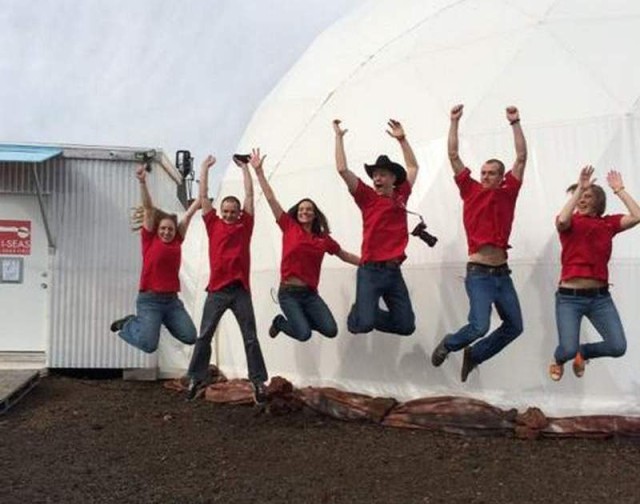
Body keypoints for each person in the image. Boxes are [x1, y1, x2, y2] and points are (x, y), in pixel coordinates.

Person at [431, 104, 527, 382]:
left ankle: (475, 355)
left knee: (515, 326)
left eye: (491, 173)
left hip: (502, 274)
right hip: (480, 273)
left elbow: (521, 157)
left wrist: (515, 122)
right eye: (483, 172)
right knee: (479, 326)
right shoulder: (470, 190)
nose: (485, 176)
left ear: (501, 176)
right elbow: (452, 154)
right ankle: (450, 344)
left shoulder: (509, 192)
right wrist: (454, 122)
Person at [250, 148, 359, 342]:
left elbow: (344, 254)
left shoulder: (324, 239)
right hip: (288, 293)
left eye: (309, 209)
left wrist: (367, 262)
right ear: (297, 213)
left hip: (309, 294)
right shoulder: (289, 227)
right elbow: (271, 199)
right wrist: (259, 173)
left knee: (331, 330)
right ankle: (280, 323)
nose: (304, 212)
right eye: (301, 209)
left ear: (314, 214)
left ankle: (302, 319)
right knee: (304, 334)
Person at [186, 153, 269, 404]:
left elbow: (250, 196)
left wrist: (246, 169)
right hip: (217, 291)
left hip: (240, 290)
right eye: (226, 211)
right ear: (221, 212)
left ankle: (257, 381)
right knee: (204, 335)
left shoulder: (246, 225)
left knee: (250, 336)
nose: (230, 214)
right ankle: (196, 377)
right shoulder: (214, 224)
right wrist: (204, 168)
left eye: (234, 211)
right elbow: (202, 197)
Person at [548, 166, 640, 381]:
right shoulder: (569, 223)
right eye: (579, 195)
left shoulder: (608, 223)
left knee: (617, 347)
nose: (581, 199)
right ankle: (559, 359)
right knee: (566, 350)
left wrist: (620, 190)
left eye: (587, 196)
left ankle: (584, 352)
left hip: (600, 298)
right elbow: (562, 220)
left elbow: (637, 216)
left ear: (598, 201)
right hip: (569, 298)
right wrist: (580, 187)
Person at [333, 118, 419, 336]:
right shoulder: (367, 197)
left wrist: (402, 139)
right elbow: (343, 170)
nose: (376, 178)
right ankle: (361, 314)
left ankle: (365, 311)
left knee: (406, 326)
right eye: (374, 175)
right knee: (363, 325)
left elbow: (412, 166)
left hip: (393, 271)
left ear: (393, 179)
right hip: (370, 271)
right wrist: (339, 138)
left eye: (382, 174)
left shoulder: (401, 196)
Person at [110, 165, 200, 354]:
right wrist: (143, 182)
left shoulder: (177, 240)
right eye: (163, 229)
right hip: (150, 300)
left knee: (190, 337)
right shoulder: (149, 239)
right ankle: (128, 324)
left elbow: (190, 214)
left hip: (172, 302)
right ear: (157, 230)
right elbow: (149, 209)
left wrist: (201, 197)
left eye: (170, 229)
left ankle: (161, 321)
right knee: (149, 346)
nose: (167, 232)